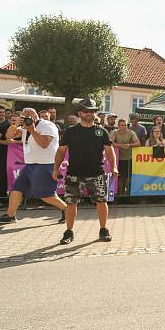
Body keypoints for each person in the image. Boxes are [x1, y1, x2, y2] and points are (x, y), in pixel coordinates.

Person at [53, 98, 118, 244]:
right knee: (71, 203)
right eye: (86, 111)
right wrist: (56, 169)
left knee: (101, 201)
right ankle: (69, 232)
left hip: (97, 173)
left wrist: (113, 166)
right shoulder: (70, 131)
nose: (89, 113)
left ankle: (103, 229)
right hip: (74, 174)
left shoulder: (101, 132)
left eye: (92, 111)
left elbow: (110, 151)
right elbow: (61, 151)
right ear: (79, 113)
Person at [0, 108, 67, 225]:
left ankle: (67, 210)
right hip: (30, 164)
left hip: (46, 164)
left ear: (34, 116)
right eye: (23, 117)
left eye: (27, 117)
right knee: (16, 189)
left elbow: (44, 143)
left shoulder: (47, 125)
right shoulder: (24, 127)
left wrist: (33, 130)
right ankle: (10, 215)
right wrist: (16, 124)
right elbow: (8, 136)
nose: (25, 120)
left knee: (45, 195)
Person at [109, 118, 141, 195]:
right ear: (118, 126)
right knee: (120, 177)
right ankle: (119, 194)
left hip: (129, 158)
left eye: (125, 125)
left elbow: (138, 143)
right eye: (122, 125)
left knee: (128, 177)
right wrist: (121, 145)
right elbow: (110, 143)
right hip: (117, 158)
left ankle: (127, 193)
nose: (123, 127)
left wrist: (129, 145)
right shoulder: (114, 132)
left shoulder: (131, 132)